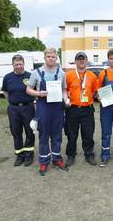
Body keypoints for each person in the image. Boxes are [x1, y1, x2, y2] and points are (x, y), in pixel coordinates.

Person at [26, 48, 69, 176]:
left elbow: (64, 90)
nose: (51, 58)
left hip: (57, 109)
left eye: (53, 57)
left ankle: (56, 159)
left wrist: (66, 100)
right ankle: (44, 161)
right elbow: (28, 90)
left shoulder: (61, 73)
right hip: (43, 108)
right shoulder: (36, 73)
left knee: (57, 135)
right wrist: (38, 93)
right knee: (43, 135)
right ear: (44, 58)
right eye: (49, 56)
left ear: (56, 58)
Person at [64, 52, 98, 167]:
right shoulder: (69, 75)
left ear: (87, 60)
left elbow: (95, 91)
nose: (81, 61)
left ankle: (89, 154)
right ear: (75, 61)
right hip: (72, 109)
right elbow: (65, 89)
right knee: (71, 134)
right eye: (79, 59)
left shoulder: (92, 76)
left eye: (83, 59)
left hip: (87, 109)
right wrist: (67, 99)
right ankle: (71, 155)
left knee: (88, 133)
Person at [2, 54, 35, 166]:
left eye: (20, 64)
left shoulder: (30, 76)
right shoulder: (7, 77)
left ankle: (29, 155)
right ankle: (20, 155)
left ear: (24, 64)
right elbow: (5, 91)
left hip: (28, 107)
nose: (19, 66)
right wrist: (12, 102)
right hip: (13, 109)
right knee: (16, 131)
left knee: (30, 131)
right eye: (16, 64)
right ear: (13, 65)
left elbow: (36, 90)